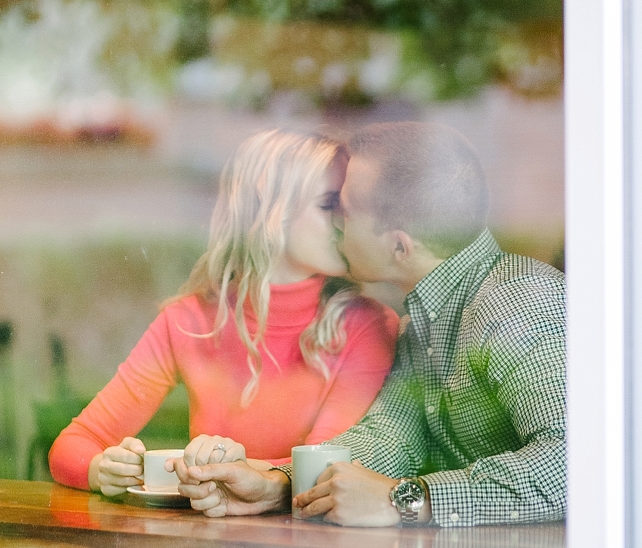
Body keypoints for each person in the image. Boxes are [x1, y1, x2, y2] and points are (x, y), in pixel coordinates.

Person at [173, 121, 642, 527]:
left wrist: (403, 500)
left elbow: (587, 464)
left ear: (399, 245)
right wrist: (278, 485)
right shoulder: (429, 316)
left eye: (343, 210)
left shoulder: (519, 302)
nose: (334, 225)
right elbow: (389, 440)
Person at [49, 129, 400, 495]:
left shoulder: (368, 325)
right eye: (329, 205)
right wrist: (100, 470)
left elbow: (322, 468)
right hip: (207, 526)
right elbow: (74, 444)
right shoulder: (188, 321)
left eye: (349, 207)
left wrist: (235, 469)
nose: (347, 222)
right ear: (269, 212)